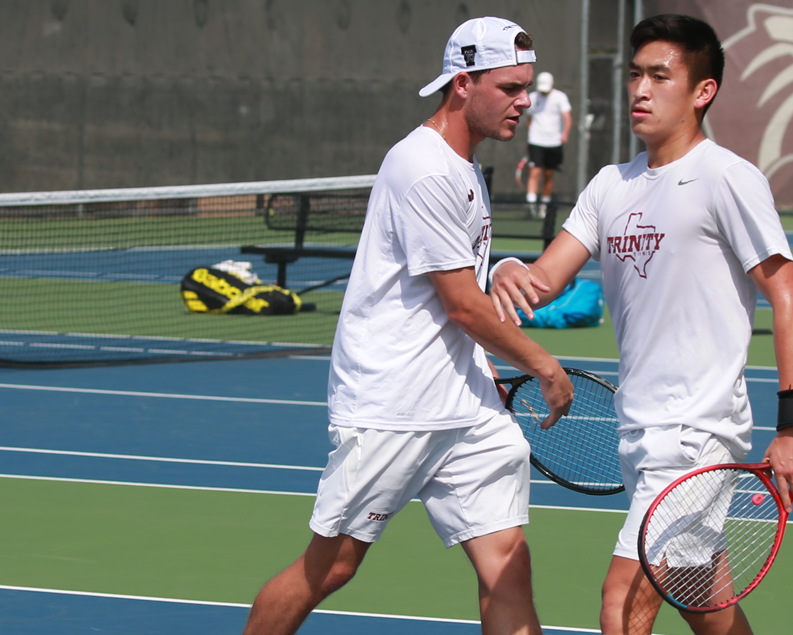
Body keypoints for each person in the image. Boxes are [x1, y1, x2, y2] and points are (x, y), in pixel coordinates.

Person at [242, 17, 573, 635]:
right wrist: (544, 366)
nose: (525, 102)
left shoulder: (464, 165)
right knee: (332, 567)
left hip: (466, 406)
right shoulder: (422, 167)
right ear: (463, 84)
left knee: (507, 564)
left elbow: (457, 288)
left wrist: (495, 280)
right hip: (394, 403)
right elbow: (461, 307)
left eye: (526, 87)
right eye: (510, 88)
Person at [489, 14, 793, 635]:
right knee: (704, 601)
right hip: (638, 426)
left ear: (702, 92)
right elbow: (542, 281)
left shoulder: (727, 178)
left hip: (697, 432)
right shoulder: (612, 184)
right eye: (634, 74)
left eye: (659, 76)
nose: (639, 89)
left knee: (623, 599)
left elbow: (788, 296)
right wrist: (505, 268)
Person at [524, 71, 572, 217]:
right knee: (535, 172)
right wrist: (532, 135)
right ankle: (531, 206)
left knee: (548, 174)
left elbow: (567, 118)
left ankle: (544, 206)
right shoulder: (532, 98)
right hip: (536, 141)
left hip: (554, 143)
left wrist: (564, 134)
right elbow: (529, 119)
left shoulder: (560, 97)